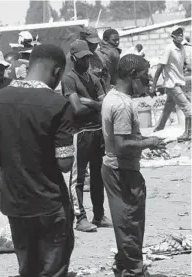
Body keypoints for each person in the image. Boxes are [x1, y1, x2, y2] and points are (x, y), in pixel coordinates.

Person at [0, 44, 75, 277]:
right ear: (56, 72)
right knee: (53, 269)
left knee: (28, 268)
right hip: (49, 202)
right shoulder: (58, 105)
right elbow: (65, 164)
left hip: (14, 201)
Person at [101, 54, 167, 277]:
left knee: (127, 223)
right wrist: (149, 142)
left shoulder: (114, 97)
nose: (147, 81)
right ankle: (133, 272)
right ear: (131, 75)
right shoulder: (121, 105)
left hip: (116, 169)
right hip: (122, 172)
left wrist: (144, 143)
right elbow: (121, 145)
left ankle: (123, 267)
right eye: (144, 77)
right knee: (130, 224)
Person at [62, 40, 112, 232]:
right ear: (74, 58)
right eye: (82, 58)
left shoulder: (94, 78)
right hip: (80, 133)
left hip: (97, 131)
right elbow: (77, 108)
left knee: (99, 176)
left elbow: (104, 104)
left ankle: (98, 215)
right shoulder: (69, 79)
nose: (86, 61)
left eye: (87, 57)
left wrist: (88, 103)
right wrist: (93, 105)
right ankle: (80, 217)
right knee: (78, 178)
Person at [151, 25, 191, 142]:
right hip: (172, 84)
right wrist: (154, 85)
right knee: (189, 109)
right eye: (177, 33)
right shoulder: (169, 49)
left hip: (179, 84)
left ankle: (157, 132)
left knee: (167, 110)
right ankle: (187, 135)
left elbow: (185, 64)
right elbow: (160, 67)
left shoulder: (182, 48)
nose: (180, 35)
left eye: (181, 33)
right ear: (172, 36)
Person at [65, 26, 108, 92]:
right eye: (90, 44)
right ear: (81, 40)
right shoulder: (71, 58)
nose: (93, 46)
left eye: (96, 43)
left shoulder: (98, 56)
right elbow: (68, 85)